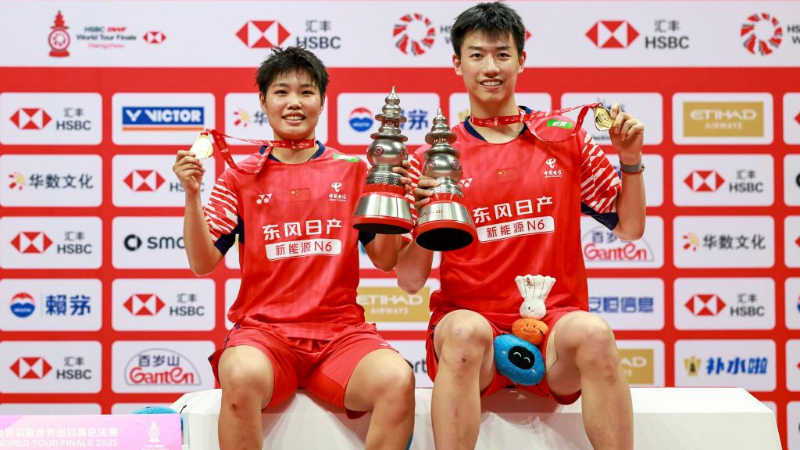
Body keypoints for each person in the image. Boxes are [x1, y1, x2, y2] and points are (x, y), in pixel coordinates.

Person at [395, 3, 646, 450]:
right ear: (457, 63)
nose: (490, 67)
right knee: (463, 333)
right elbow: (410, 280)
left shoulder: (566, 137)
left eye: (502, 54)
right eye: (476, 55)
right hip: (475, 333)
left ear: (521, 60)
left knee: (595, 335)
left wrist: (629, 160)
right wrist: (426, 219)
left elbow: (630, 227)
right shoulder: (432, 159)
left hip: (555, 329)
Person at [172, 46, 415, 450]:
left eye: (306, 92)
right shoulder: (239, 176)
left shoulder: (355, 172)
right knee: (240, 375)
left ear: (322, 100)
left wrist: (390, 191)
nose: (294, 102)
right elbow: (202, 262)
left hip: (341, 337)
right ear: (263, 101)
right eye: (281, 92)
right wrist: (192, 195)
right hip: (265, 337)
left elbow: (386, 259)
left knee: (397, 379)